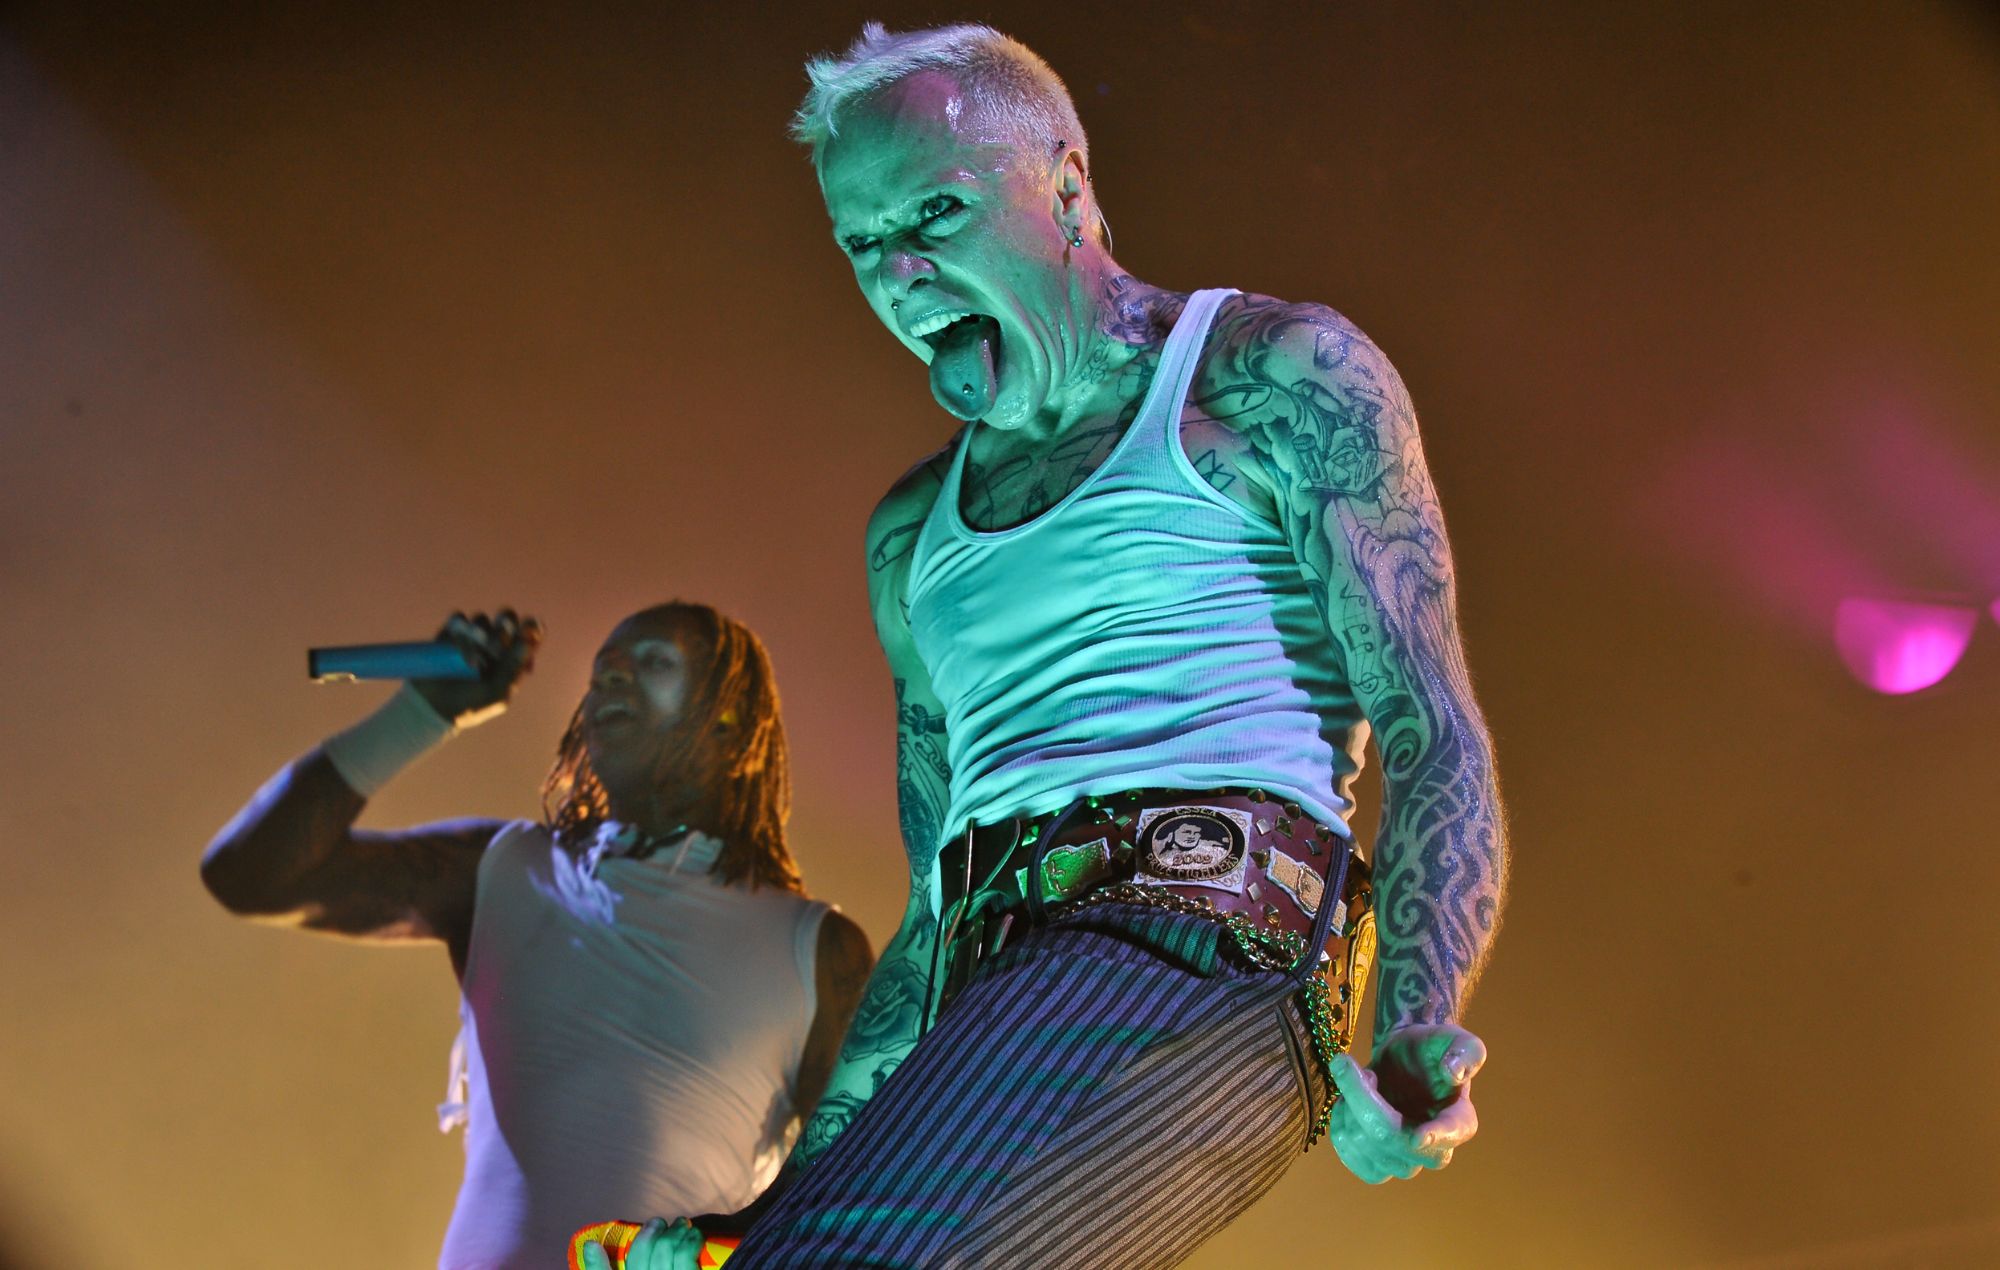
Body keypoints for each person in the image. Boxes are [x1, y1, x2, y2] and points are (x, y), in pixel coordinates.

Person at [604, 22, 1509, 1270]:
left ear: (1067, 188)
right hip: (998, 992)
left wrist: (1414, 1016)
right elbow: (931, 921)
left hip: (1202, 949)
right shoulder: (911, 536)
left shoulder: (1267, 377)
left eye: (934, 213)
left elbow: (1428, 731)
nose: (899, 274)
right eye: (861, 244)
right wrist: (779, 1210)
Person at [201, 603, 872, 1269]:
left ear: (732, 723)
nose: (612, 679)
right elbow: (250, 875)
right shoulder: (504, 868)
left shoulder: (817, 951)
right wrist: (421, 713)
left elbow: (855, 1198)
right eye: (604, 670)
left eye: (654, 663)